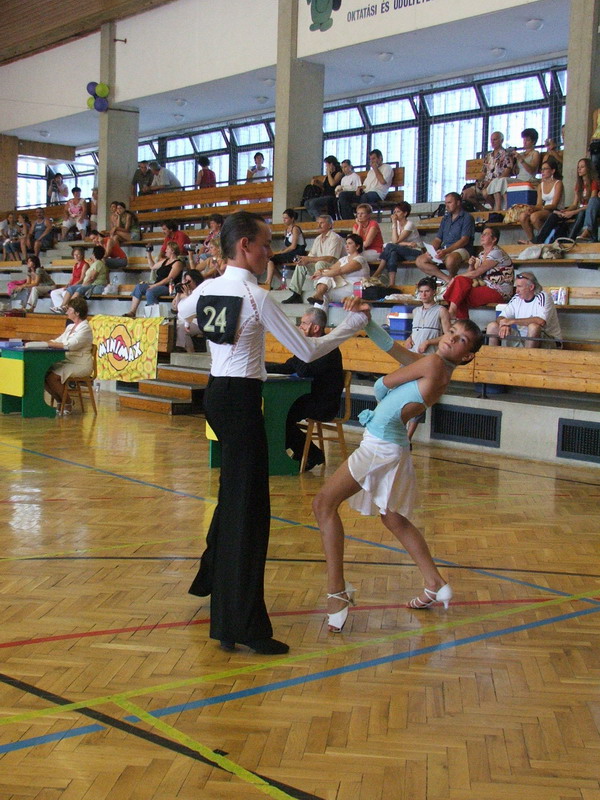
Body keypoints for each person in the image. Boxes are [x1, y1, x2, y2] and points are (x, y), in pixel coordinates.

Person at [187, 211, 368, 655]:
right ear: (245, 245)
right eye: (266, 244)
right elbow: (306, 349)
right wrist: (349, 328)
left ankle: (217, 586)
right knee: (249, 510)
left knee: (234, 497)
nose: (271, 252)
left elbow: (183, 315)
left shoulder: (208, 288)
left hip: (217, 394)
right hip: (240, 400)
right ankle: (241, 623)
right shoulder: (256, 296)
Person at [313, 308, 483, 632]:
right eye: (452, 332)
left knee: (323, 504)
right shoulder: (437, 367)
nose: (452, 338)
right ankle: (434, 582)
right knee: (393, 518)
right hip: (393, 446)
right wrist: (367, 323)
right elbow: (395, 350)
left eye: (462, 340)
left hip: (380, 446)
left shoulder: (433, 364)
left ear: (468, 356)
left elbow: (382, 384)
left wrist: (383, 396)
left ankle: (337, 593)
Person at [265, 306, 344, 470]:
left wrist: (299, 347)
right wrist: (261, 366)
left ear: (315, 328)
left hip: (324, 403)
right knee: (277, 411)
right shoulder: (308, 346)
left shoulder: (327, 348)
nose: (300, 327)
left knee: (281, 415)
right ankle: (304, 453)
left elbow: (303, 371)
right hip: (308, 398)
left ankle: (311, 455)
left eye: (303, 323)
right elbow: (289, 366)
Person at [404, 277, 451, 441]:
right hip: (412, 356)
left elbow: (448, 335)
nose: (423, 295)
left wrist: (429, 342)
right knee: (404, 392)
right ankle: (401, 433)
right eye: (421, 292)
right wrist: (409, 338)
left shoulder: (441, 311)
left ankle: (408, 437)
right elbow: (416, 331)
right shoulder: (416, 311)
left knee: (419, 396)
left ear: (433, 292)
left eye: (427, 291)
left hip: (428, 358)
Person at [443, 226, 514, 319]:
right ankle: (460, 320)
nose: (482, 236)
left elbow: (476, 273)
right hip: (485, 287)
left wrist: (455, 278)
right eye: (482, 234)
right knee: (459, 293)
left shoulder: (497, 253)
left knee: (459, 295)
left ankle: (457, 317)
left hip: (499, 291)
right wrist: (471, 265)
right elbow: (469, 275)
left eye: (485, 234)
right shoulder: (481, 254)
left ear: (494, 239)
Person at [486, 271, 562, 348]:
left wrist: (512, 321)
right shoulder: (517, 298)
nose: (517, 291)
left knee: (533, 327)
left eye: (520, 286)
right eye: (516, 287)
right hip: (523, 339)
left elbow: (541, 321)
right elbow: (501, 317)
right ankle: (493, 355)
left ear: (531, 287)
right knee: (492, 326)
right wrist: (504, 324)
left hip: (549, 341)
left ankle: (529, 355)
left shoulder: (543, 296)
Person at [44, 297, 93, 414]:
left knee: (52, 377)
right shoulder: (70, 327)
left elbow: (70, 345)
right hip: (68, 361)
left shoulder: (85, 328)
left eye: (69, 309)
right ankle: (60, 401)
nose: (67, 312)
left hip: (80, 364)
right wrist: (46, 343)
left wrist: (49, 344)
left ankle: (68, 402)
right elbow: (58, 340)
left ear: (77, 313)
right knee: (43, 374)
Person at [281, 214, 345, 304]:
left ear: (330, 225)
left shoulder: (335, 238)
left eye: (322, 223)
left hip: (334, 267)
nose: (318, 225)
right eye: (318, 223)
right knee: (301, 265)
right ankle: (296, 294)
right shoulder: (318, 238)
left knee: (319, 263)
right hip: (322, 267)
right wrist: (303, 260)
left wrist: (309, 259)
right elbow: (311, 256)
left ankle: (317, 293)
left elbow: (330, 259)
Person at [415, 192, 475, 283]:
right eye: (446, 203)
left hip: (462, 249)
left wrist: (446, 251)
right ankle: (448, 279)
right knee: (420, 260)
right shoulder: (445, 219)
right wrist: (431, 250)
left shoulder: (467, 217)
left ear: (458, 203)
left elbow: (464, 240)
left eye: (449, 202)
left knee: (450, 260)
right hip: (445, 249)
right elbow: (438, 239)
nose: (447, 206)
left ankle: (452, 277)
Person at [536, 157, 599, 242]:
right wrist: (565, 211)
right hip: (579, 210)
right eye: (578, 167)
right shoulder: (579, 184)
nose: (579, 169)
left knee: (581, 213)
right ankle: (538, 240)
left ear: (588, 168)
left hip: (586, 211)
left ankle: (569, 240)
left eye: (582, 167)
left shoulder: (594, 183)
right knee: (555, 215)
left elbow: (591, 204)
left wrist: (573, 212)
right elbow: (574, 204)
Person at [307, 233, 370, 308]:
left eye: (350, 243)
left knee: (325, 292)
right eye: (346, 243)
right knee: (326, 277)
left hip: (356, 288)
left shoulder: (360, 259)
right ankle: (318, 296)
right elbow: (331, 269)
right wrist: (320, 271)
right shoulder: (343, 259)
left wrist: (322, 273)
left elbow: (340, 270)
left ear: (357, 246)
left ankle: (318, 298)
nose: (346, 246)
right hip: (343, 285)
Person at [123, 241, 184, 318]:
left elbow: (169, 279)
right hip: (158, 285)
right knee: (139, 287)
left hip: (169, 287)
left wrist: (154, 285)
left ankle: (152, 316)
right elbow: (152, 266)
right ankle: (132, 312)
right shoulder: (165, 261)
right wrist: (148, 253)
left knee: (150, 291)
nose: (165, 250)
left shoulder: (177, 263)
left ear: (172, 251)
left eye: (167, 249)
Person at [371, 201, 423, 285]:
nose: (395, 214)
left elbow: (395, 242)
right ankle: (392, 284)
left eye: (398, 212)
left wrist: (394, 223)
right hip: (402, 250)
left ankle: (378, 272)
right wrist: (407, 244)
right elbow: (395, 242)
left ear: (405, 213)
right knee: (392, 253)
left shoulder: (409, 224)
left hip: (415, 252)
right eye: (394, 212)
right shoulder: (397, 224)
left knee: (389, 246)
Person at [461, 132, 513, 212]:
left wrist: (490, 182)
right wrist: (479, 182)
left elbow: (507, 172)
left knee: (485, 193)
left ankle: (494, 208)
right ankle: (484, 210)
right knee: (465, 194)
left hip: (496, 183)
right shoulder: (488, 156)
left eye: (495, 139)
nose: (492, 142)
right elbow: (483, 172)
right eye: (491, 140)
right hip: (485, 183)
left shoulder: (506, 154)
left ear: (501, 140)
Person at [518, 157, 564, 244]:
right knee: (523, 216)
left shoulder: (558, 183)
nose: (542, 171)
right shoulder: (541, 185)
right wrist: (532, 208)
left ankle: (543, 239)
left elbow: (554, 205)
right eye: (542, 169)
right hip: (544, 209)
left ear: (553, 171)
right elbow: (539, 204)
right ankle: (532, 239)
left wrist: (539, 208)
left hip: (555, 211)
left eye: (545, 169)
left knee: (534, 217)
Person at [338, 149, 393, 219]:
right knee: (343, 195)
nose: (372, 161)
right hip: (366, 192)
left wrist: (375, 169)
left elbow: (383, 181)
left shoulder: (387, 167)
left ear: (380, 158)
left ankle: (361, 218)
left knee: (365, 197)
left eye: (374, 158)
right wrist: (359, 189)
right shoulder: (370, 172)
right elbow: (365, 186)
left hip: (377, 193)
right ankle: (349, 219)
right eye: (371, 159)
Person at [56, 245, 109, 309]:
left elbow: (91, 278)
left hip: (94, 285)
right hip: (89, 284)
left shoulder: (98, 263)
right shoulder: (95, 263)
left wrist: (83, 285)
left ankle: (67, 307)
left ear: (94, 254)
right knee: (71, 288)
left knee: (80, 289)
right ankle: (61, 306)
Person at [264, 208, 306, 289]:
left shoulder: (295, 229)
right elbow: (287, 246)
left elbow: (293, 246)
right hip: (291, 252)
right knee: (268, 260)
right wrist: (282, 251)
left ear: (292, 219)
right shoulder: (286, 230)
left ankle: (268, 283)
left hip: (298, 253)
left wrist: (281, 252)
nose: (284, 220)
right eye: (283, 218)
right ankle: (282, 282)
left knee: (271, 260)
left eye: (286, 218)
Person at [172, 269, 204, 352]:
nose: (187, 284)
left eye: (189, 281)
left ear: (195, 281)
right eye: (185, 281)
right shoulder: (183, 293)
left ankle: (190, 353)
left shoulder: (201, 292)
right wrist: (178, 293)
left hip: (196, 322)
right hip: (181, 321)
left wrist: (187, 296)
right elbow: (175, 308)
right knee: (168, 327)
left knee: (182, 329)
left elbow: (194, 309)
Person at [50, 246, 89, 311]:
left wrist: (72, 286)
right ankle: (61, 309)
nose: (76, 256)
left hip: (77, 286)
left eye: (78, 254)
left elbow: (82, 279)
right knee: (54, 293)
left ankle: (63, 308)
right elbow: (72, 278)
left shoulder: (85, 265)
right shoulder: (75, 265)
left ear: (82, 255)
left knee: (64, 293)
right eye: (74, 255)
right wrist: (67, 285)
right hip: (71, 286)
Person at [305, 156, 343, 220]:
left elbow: (332, 183)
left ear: (331, 164)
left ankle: (320, 219)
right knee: (307, 203)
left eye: (327, 165)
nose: (326, 167)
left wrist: (328, 173)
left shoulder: (338, 173)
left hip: (332, 195)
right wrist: (317, 182)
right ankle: (315, 217)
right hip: (325, 194)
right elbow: (324, 185)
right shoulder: (327, 176)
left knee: (313, 203)